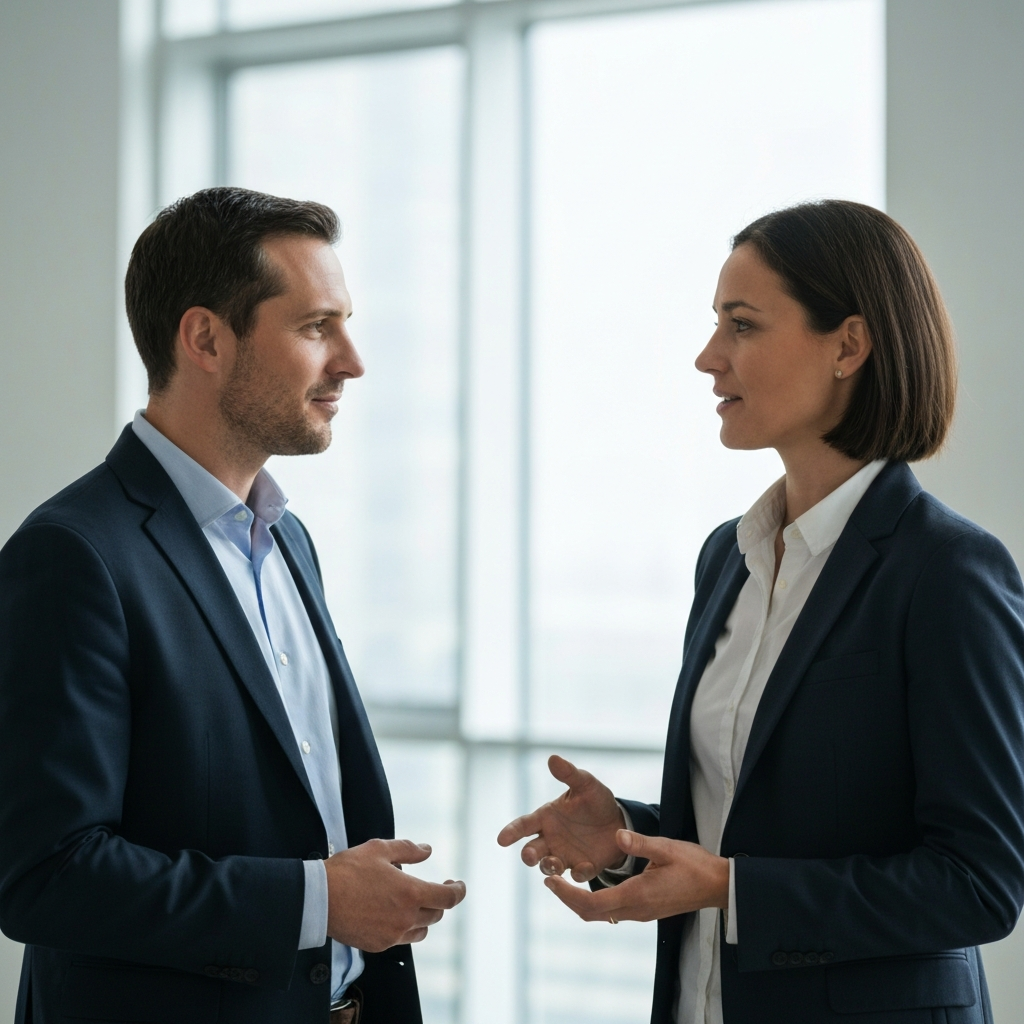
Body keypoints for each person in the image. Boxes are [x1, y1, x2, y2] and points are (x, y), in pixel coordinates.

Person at [498, 200, 1024, 1023]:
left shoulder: (948, 572)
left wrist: (733, 890)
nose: (709, 358)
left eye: (742, 325)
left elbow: (979, 885)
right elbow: (759, 818)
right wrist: (627, 842)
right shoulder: (728, 558)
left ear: (849, 344)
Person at [0, 187, 465, 1024]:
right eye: (317, 326)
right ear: (206, 338)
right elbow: (46, 875)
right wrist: (316, 901)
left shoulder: (289, 541)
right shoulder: (72, 555)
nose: (352, 361)